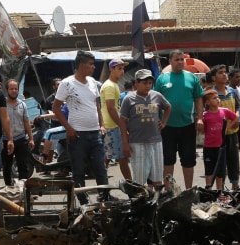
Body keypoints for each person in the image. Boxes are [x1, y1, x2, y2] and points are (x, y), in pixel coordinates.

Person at [52, 50, 108, 204]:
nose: (93, 67)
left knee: (100, 169)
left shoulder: (92, 82)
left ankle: (105, 198)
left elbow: (97, 105)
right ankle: (83, 203)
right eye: (91, 64)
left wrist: (102, 125)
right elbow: (56, 108)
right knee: (78, 172)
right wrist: (69, 128)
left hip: (96, 134)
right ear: (81, 65)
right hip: (77, 136)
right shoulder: (67, 83)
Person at [154, 50, 204, 188]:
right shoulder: (162, 79)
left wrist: (199, 118)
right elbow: (155, 102)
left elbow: (198, 98)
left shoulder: (192, 78)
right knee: (168, 160)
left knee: (188, 160)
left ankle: (189, 189)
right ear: (170, 61)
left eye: (182, 59)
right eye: (177, 59)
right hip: (167, 126)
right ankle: (168, 191)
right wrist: (156, 122)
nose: (180, 62)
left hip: (187, 126)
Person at [119, 69, 171, 187]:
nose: (148, 86)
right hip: (137, 142)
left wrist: (164, 123)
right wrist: (125, 143)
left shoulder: (156, 96)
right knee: (139, 178)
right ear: (136, 83)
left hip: (156, 142)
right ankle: (140, 202)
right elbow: (122, 121)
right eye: (144, 83)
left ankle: (155, 201)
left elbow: (168, 107)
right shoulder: (129, 99)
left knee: (157, 177)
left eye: (149, 83)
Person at [209, 64, 240, 189]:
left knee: (233, 159)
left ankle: (235, 184)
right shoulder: (211, 94)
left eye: (225, 72)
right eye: (220, 72)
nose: (224, 74)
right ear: (213, 77)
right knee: (220, 162)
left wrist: (235, 118)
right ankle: (220, 187)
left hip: (232, 131)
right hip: (218, 134)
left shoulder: (232, 91)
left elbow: (237, 107)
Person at [100, 58, 132, 180]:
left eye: (123, 68)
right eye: (119, 68)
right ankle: (132, 186)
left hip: (112, 125)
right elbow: (111, 108)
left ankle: (102, 187)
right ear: (111, 69)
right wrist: (122, 126)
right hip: (112, 126)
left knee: (108, 157)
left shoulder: (113, 85)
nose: (122, 71)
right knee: (122, 157)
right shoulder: (109, 86)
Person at [202, 89, 239, 190]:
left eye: (217, 97)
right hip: (209, 147)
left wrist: (228, 127)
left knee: (220, 171)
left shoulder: (224, 111)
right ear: (207, 102)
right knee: (209, 170)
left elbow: (235, 117)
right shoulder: (205, 115)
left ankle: (219, 191)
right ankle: (209, 191)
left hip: (221, 147)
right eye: (214, 98)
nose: (217, 99)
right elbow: (203, 131)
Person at [1, 79, 34, 185]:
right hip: (5, 140)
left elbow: (26, 122)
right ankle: (8, 189)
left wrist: (31, 138)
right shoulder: (2, 105)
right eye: (11, 89)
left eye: (16, 89)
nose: (14, 91)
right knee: (6, 166)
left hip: (21, 139)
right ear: (7, 90)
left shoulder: (22, 105)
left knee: (23, 166)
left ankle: (23, 189)